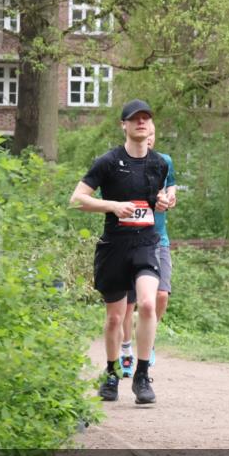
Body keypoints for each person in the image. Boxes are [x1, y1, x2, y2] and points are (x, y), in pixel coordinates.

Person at [69, 99, 171, 405]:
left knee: (148, 305)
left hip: (146, 244)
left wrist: (162, 202)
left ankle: (141, 375)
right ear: (123, 126)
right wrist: (112, 205)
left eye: (146, 118)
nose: (141, 122)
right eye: (134, 119)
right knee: (115, 318)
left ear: (151, 126)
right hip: (114, 246)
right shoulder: (108, 162)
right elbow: (77, 199)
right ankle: (112, 372)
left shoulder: (159, 164)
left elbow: (153, 201)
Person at [119, 130, 176, 376]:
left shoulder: (163, 162)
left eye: (153, 134)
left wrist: (170, 196)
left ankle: (147, 338)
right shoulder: (119, 164)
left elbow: (171, 185)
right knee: (127, 303)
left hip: (157, 240)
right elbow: (106, 197)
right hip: (126, 241)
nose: (149, 137)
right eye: (146, 134)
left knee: (160, 296)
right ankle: (126, 347)